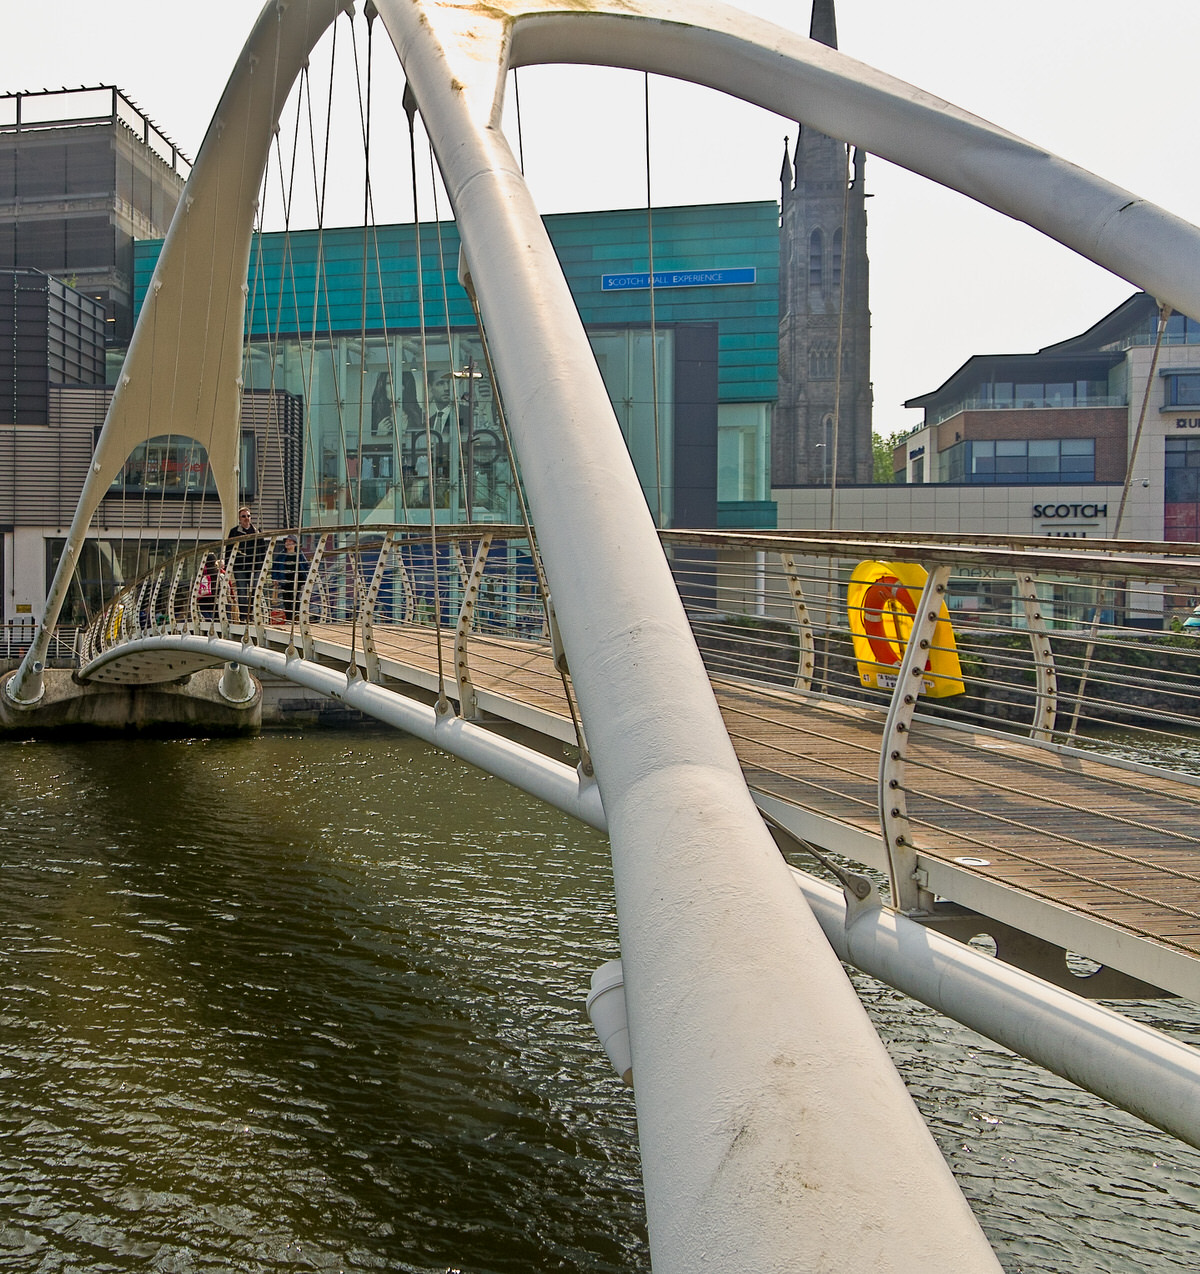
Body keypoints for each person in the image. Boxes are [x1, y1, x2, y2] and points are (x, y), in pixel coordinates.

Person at [227, 506, 264, 616]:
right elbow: (229, 549)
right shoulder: (234, 532)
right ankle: (243, 616)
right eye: (243, 516)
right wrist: (229, 565)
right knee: (242, 591)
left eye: (248, 516)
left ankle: (252, 614)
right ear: (239, 518)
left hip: (255, 567)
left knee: (255, 591)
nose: (246, 518)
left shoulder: (257, 532)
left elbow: (262, 550)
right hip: (240, 567)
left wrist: (262, 565)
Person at [271, 534, 309, 621]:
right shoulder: (281, 555)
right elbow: (275, 567)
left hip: (297, 579)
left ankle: (297, 616)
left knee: (295, 597)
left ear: (294, 543)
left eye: (290, 541)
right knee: (286, 598)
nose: (287, 543)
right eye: (286, 541)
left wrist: (306, 577)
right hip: (285, 579)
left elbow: (305, 566)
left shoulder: (299, 554)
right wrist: (275, 578)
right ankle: (289, 618)